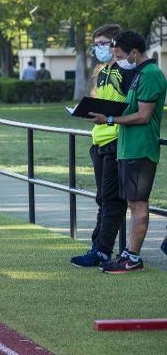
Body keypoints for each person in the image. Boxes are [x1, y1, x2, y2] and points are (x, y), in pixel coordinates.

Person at [88, 31, 167, 273]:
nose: (118, 59)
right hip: (127, 147)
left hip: (140, 148)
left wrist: (110, 119)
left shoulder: (151, 74)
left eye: (121, 55)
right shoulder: (139, 74)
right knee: (133, 203)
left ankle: (132, 257)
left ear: (134, 52)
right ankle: (128, 254)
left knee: (138, 204)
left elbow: (143, 115)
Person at [71, 24, 134, 268]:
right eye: (96, 44)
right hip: (99, 139)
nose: (100, 48)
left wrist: (109, 117)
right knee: (102, 198)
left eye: (104, 43)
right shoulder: (103, 71)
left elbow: (130, 106)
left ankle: (102, 250)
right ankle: (97, 245)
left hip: (117, 139)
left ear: (117, 44)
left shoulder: (127, 70)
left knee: (111, 199)